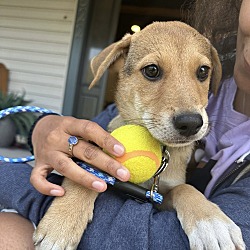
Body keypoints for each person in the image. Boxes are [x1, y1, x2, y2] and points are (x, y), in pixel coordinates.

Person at [0, 0, 250, 248]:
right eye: (152, 71)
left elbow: (163, 221)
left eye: (201, 72)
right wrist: (43, 128)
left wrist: (188, 197)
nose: (187, 110)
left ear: (212, 72)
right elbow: (78, 159)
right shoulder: (119, 121)